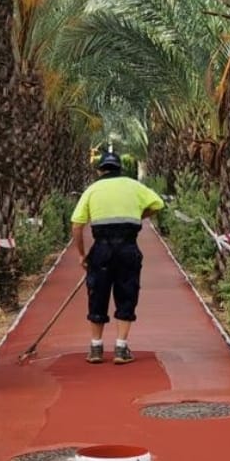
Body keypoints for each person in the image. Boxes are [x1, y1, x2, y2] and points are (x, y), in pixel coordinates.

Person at [70, 152, 165, 365]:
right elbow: (158, 204)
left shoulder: (92, 189)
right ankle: (121, 349)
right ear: (120, 168)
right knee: (127, 294)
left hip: (101, 251)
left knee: (97, 296)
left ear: (100, 170)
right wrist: (138, 216)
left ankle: (96, 348)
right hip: (128, 249)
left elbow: (77, 225)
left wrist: (82, 254)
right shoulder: (134, 186)